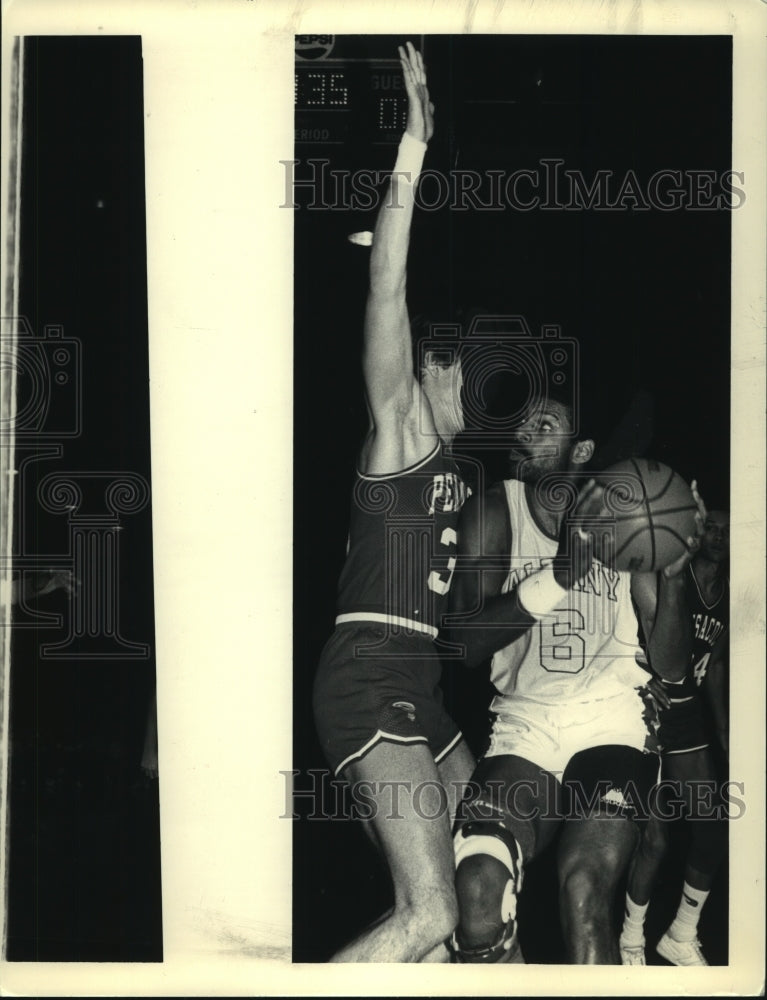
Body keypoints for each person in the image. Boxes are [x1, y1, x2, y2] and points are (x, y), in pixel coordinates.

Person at [312, 43, 475, 963]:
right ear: (416, 376)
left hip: (416, 682)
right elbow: (386, 284)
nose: (454, 371)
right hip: (372, 671)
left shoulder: (450, 464)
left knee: (458, 908)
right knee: (431, 917)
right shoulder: (398, 432)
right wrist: (412, 147)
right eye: (440, 360)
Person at [444, 396, 704, 964]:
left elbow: (670, 665)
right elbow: (462, 645)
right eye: (522, 422)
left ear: (581, 451)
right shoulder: (493, 512)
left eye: (546, 423)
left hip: (612, 718)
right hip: (525, 721)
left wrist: (676, 577)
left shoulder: (629, 511)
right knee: (477, 889)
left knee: (584, 891)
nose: (525, 430)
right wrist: (562, 574)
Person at [619, 509, 729, 966]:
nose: (718, 537)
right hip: (646, 701)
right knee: (656, 841)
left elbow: (714, 667)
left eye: (727, 529)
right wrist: (638, 677)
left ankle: (681, 935)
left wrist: (723, 731)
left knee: (712, 825)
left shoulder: (729, 594)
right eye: (711, 527)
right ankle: (630, 943)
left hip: (685, 713)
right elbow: (638, 634)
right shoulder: (666, 572)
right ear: (694, 530)